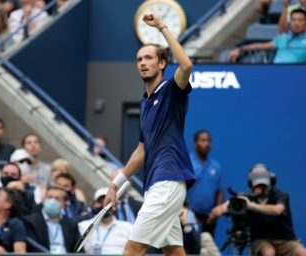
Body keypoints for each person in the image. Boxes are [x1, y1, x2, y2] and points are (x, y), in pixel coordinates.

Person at [104, 13, 196, 256]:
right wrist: (116, 184)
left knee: (131, 251)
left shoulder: (171, 90)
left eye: (148, 58)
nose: (142, 63)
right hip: (156, 182)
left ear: (162, 63)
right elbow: (141, 151)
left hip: (167, 181)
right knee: (174, 251)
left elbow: (186, 65)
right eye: (139, 59)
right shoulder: (144, 103)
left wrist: (162, 27)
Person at [208, 164, 306, 256]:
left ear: (271, 182)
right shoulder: (247, 199)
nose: (261, 189)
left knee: (302, 253)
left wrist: (252, 206)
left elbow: (278, 210)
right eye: (258, 186)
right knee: (268, 252)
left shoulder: (280, 195)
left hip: (286, 240)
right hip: (261, 241)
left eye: (264, 185)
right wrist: (218, 212)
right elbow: (223, 208)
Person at [229, 8, 306, 64]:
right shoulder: (283, 38)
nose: (296, 23)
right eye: (293, 20)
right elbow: (261, 46)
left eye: (300, 20)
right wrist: (240, 49)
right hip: (274, 73)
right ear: (290, 23)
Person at [186, 130, 223, 236]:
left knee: (208, 248)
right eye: (203, 140)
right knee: (191, 249)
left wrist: (217, 211)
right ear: (195, 143)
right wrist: (186, 211)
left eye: (209, 141)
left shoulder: (216, 166)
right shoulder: (187, 163)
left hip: (209, 218)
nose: (206, 144)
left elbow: (219, 191)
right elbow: (180, 189)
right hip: (189, 217)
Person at [22, 186, 80, 253]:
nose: (53, 201)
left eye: (57, 199)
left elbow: (79, 249)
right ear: (43, 200)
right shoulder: (30, 222)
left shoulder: (71, 224)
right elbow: (32, 249)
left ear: (64, 203)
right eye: (50, 197)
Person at [78, 187, 133, 255]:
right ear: (93, 204)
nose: (104, 206)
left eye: (108, 203)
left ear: (115, 205)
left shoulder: (128, 227)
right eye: (100, 202)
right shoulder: (82, 226)